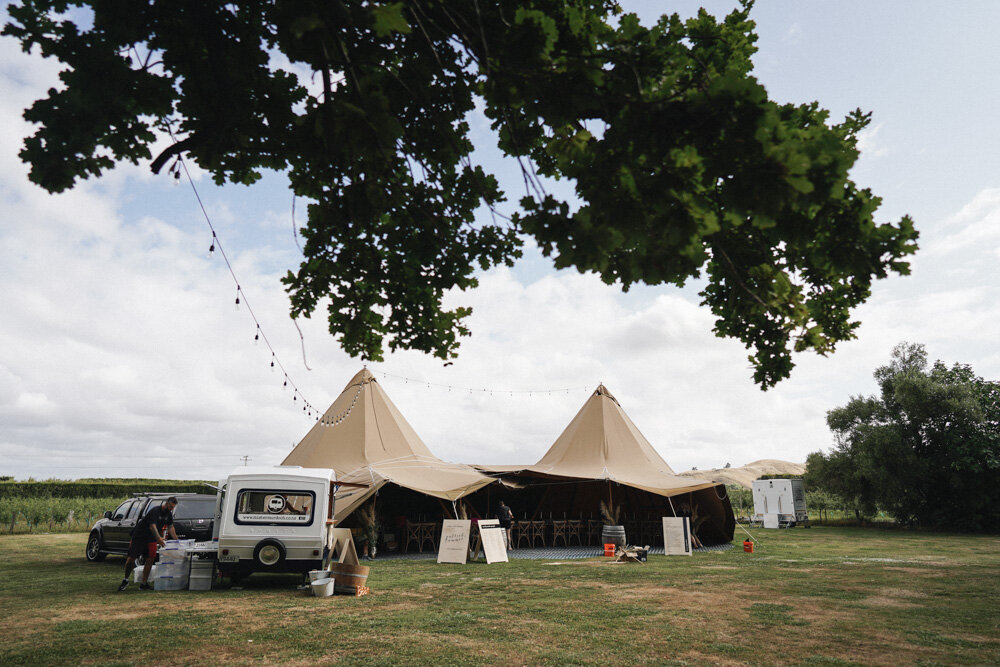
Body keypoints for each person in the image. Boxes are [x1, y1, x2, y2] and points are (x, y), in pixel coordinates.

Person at [117, 496, 179, 592]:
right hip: (140, 536)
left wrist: (176, 540)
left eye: (173, 508)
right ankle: (125, 579)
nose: (171, 509)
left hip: (151, 538)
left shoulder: (168, 514)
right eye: (170, 507)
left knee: (150, 559)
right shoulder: (155, 511)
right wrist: (158, 538)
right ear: (166, 504)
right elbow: (152, 526)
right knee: (131, 558)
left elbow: (170, 527)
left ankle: (144, 583)